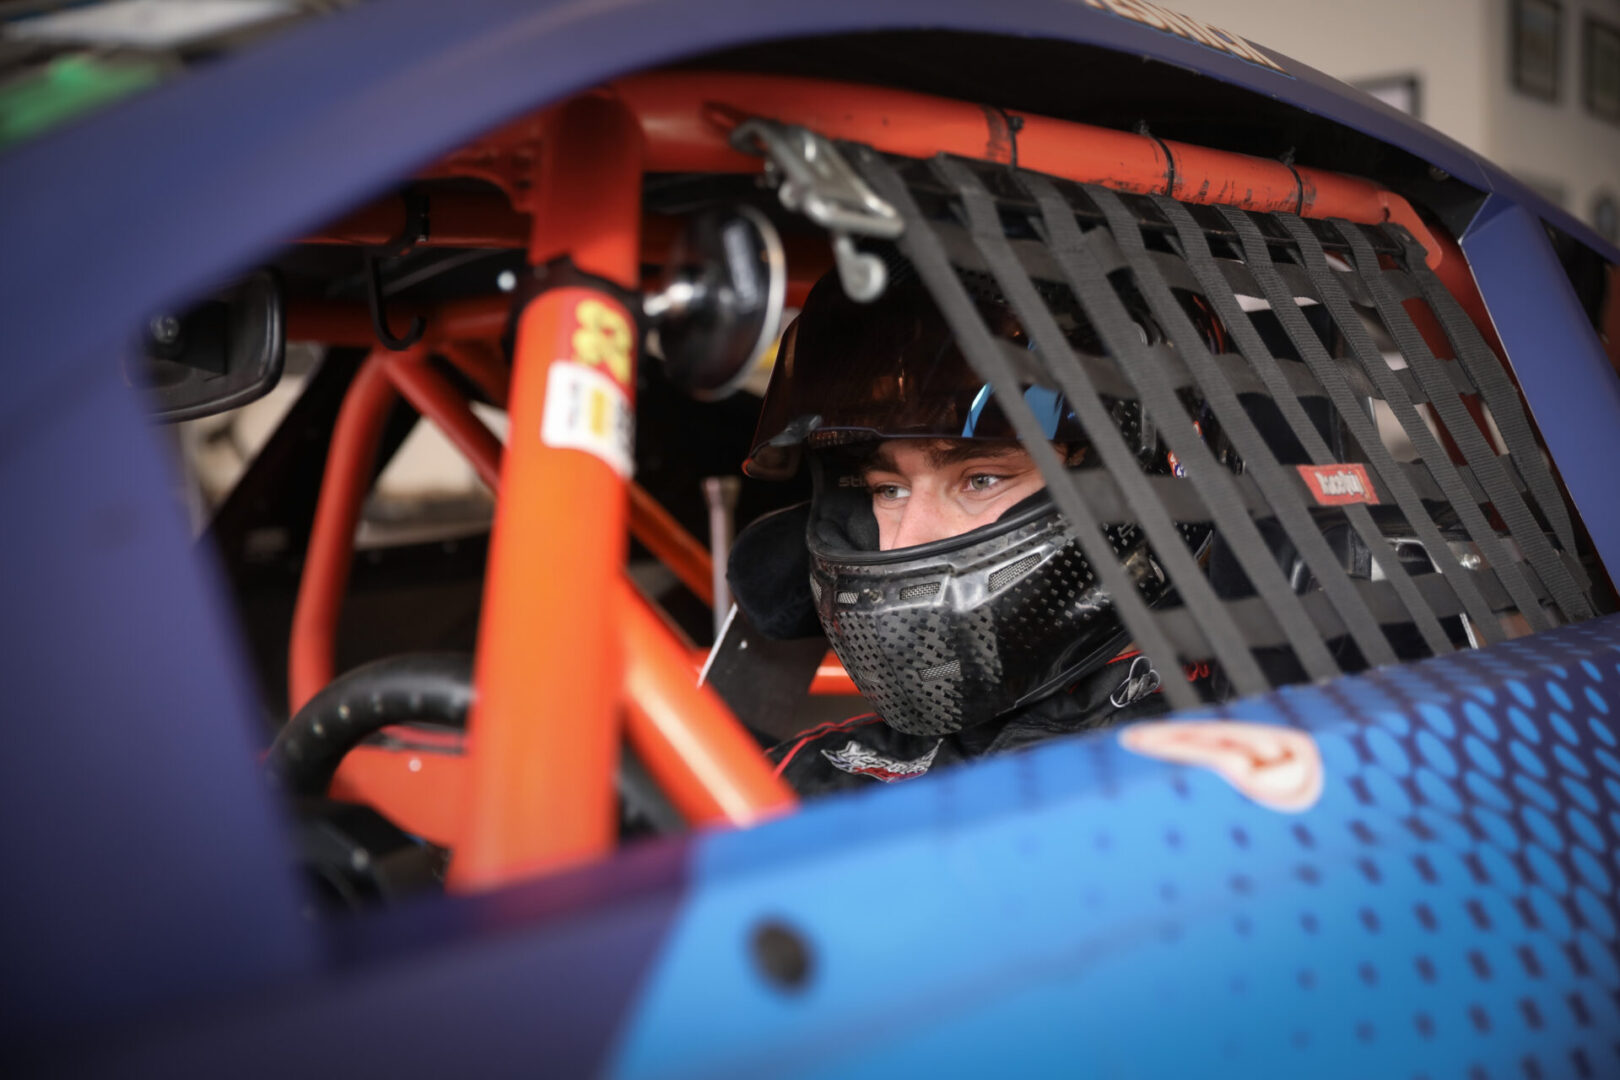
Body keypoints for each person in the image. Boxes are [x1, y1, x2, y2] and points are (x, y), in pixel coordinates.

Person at [734, 267, 1216, 794]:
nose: (906, 539)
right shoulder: (801, 779)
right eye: (888, 489)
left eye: (980, 479)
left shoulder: (1257, 756)